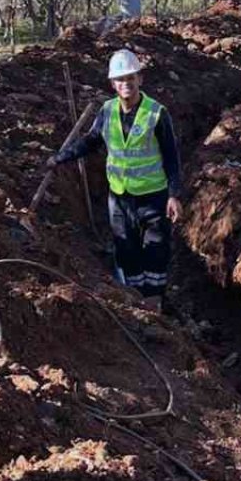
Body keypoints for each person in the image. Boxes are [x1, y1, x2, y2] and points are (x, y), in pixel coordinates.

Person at [47, 48, 183, 305]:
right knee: (125, 248)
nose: (126, 83)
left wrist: (174, 195)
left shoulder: (156, 113)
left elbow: (172, 157)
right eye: (121, 79)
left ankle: (154, 300)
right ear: (113, 84)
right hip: (119, 198)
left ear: (140, 79)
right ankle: (134, 299)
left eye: (131, 77)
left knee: (155, 250)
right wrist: (61, 157)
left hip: (153, 196)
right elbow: (91, 141)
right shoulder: (107, 111)